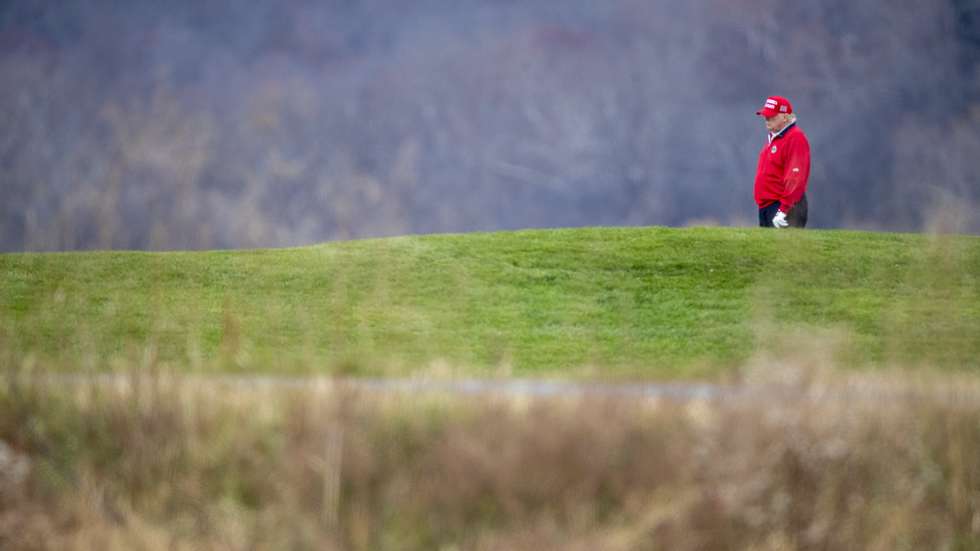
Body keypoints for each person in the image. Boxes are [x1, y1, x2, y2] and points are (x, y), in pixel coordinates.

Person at [753, 96, 811, 228]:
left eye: (771, 116)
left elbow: (796, 178)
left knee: (783, 248)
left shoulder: (795, 138)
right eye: (765, 115)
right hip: (768, 206)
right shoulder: (774, 138)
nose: (766, 119)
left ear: (785, 117)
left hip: (785, 207)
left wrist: (783, 210)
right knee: (765, 248)